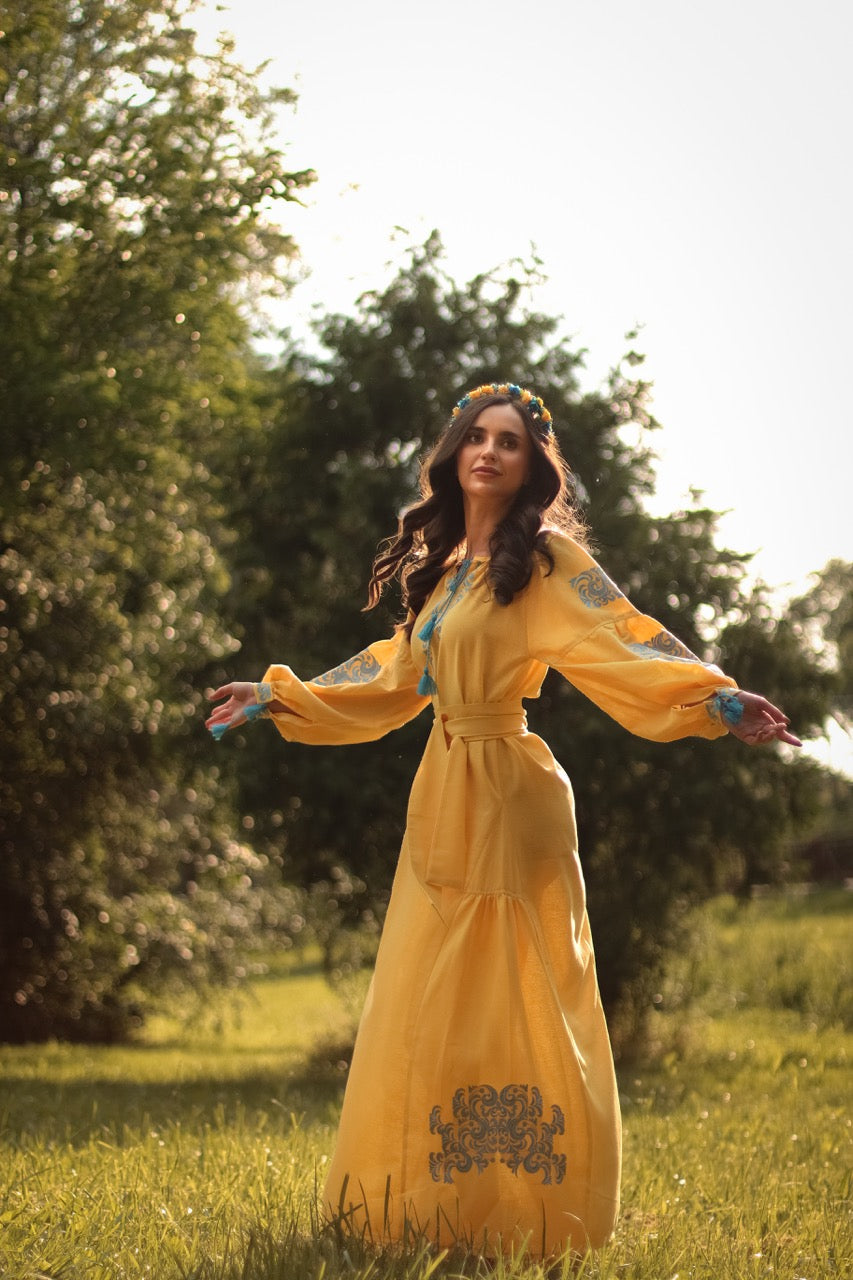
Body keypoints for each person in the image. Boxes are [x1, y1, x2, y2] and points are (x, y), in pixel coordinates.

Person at [206, 382, 800, 1258]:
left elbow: (621, 638)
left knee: (506, 994)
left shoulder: (545, 559)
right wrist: (274, 694)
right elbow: (391, 676)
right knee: (429, 994)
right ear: (452, 455)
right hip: (443, 790)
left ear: (532, 466)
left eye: (509, 442)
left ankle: (522, 1214)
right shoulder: (444, 570)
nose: (488, 451)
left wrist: (712, 698)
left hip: (509, 793)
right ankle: (421, 1209)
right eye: (475, 437)